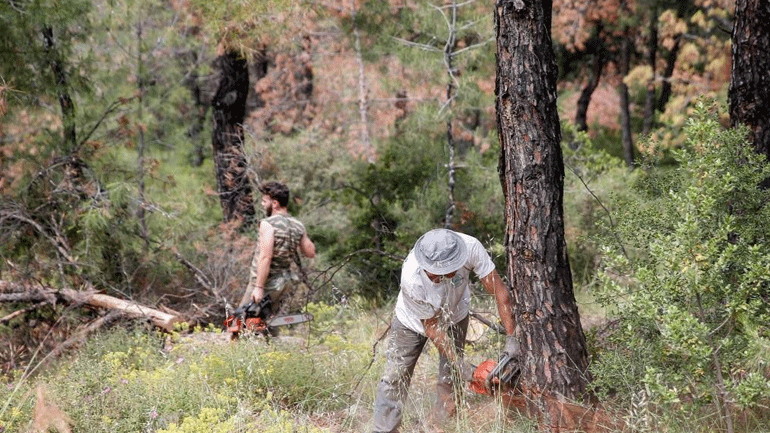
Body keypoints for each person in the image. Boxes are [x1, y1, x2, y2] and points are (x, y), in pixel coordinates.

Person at [372, 228, 519, 433]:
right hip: (411, 322)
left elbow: (500, 292)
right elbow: (431, 326)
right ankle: (384, 429)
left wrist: (512, 340)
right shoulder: (411, 278)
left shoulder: (470, 247)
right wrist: (460, 363)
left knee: (450, 376)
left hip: (455, 315)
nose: (444, 275)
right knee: (396, 375)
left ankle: (443, 425)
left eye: (449, 269)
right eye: (437, 273)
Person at [240, 181, 316, 324]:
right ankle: (270, 344)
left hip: (267, 281)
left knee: (239, 323)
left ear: (275, 204)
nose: (262, 204)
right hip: (285, 282)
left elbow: (266, 257)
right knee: (269, 322)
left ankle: (236, 344)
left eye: (264, 201)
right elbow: (310, 252)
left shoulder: (268, 224)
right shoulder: (298, 225)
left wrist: (258, 288)